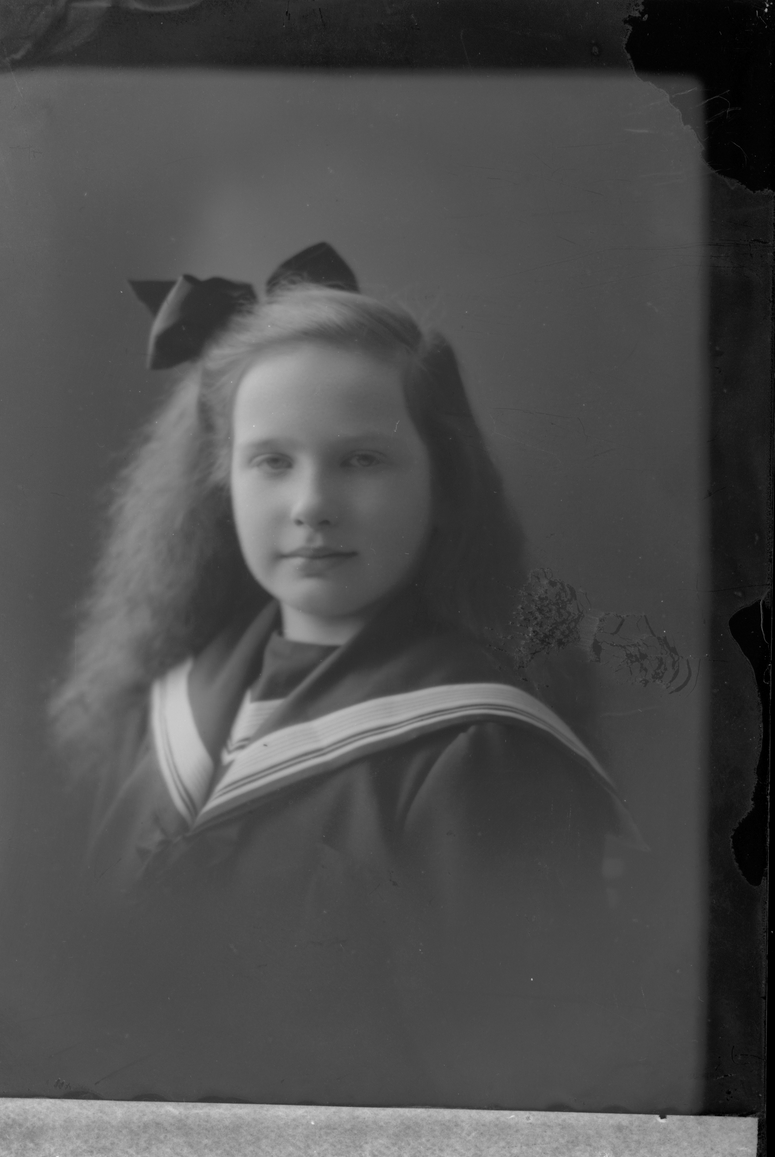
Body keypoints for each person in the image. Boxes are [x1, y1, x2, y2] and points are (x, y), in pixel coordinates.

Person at [51, 244, 645, 1109]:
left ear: (444, 483)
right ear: (220, 482)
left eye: (362, 459)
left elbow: (513, 1100)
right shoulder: (169, 707)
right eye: (272, 461)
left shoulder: (478, 753)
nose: (312, 506)